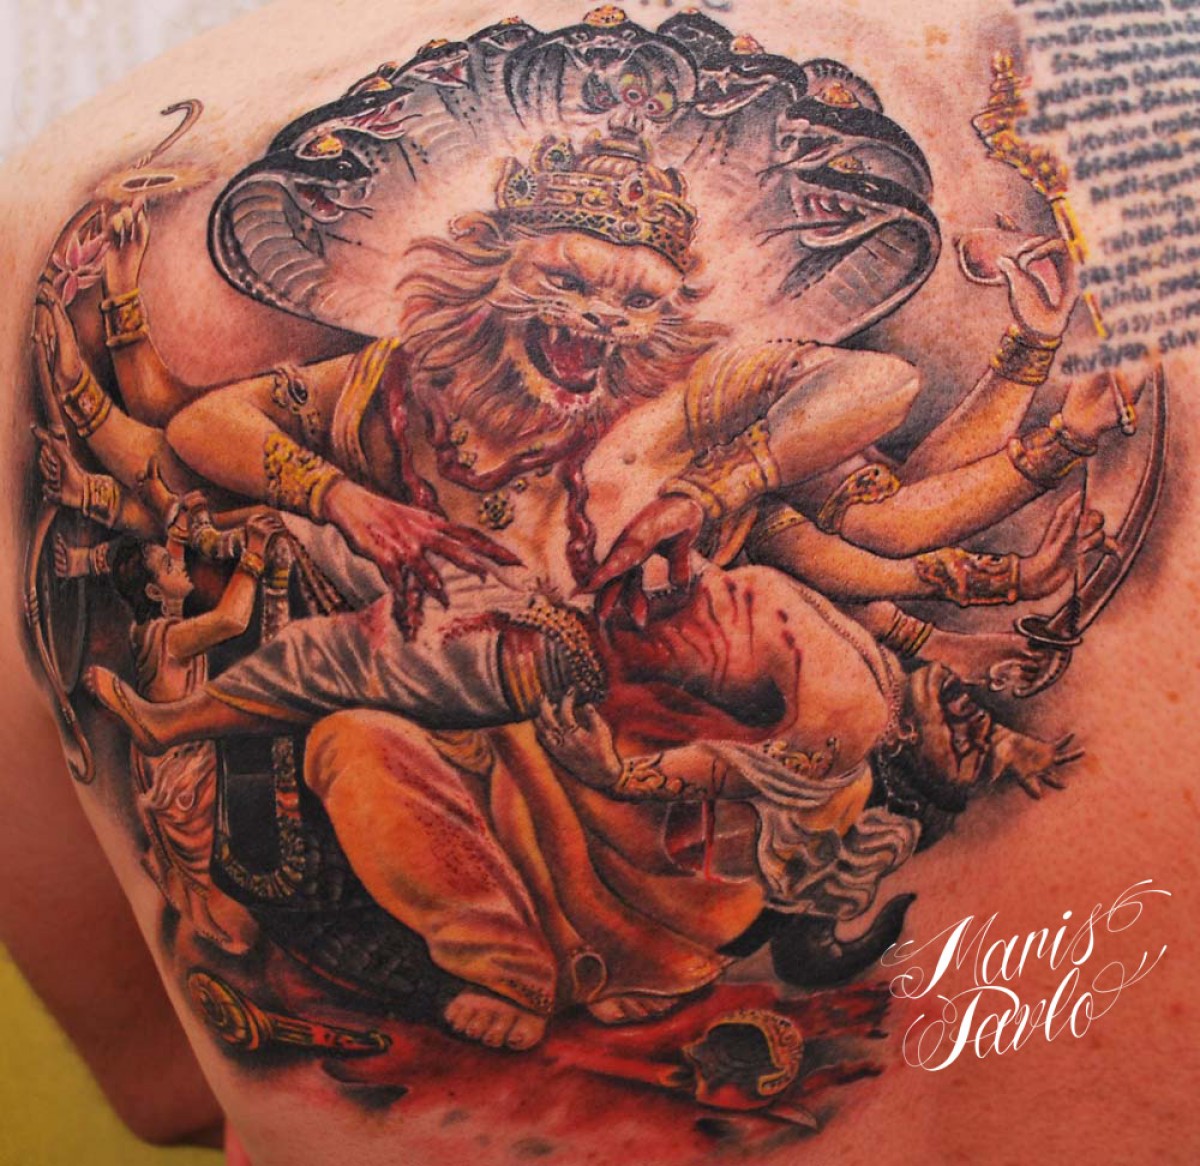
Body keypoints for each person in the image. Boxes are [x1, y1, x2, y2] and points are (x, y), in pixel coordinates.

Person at [0, 3, 1193, 1165]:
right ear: (484, 274)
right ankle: (500, 950)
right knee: (354, 746)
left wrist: (723, 487)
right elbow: (206, 428)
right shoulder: (393, 394)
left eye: (634, 301)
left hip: (657, 803)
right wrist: (344, 499)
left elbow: (158, 1080)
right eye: (568, 280)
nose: (597, 320)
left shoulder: (693, 402)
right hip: (471, 776)